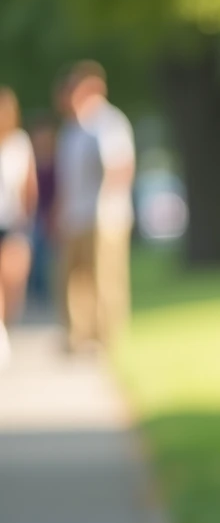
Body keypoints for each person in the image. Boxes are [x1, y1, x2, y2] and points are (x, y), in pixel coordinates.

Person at [55, 61, 136, 353]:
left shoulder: (108, 123)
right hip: (75, 216)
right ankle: (78, 334)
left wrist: (109, 204)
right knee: (73, 279)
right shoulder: (72, 129)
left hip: (104, 215)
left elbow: (120, 166)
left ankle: (107, 337)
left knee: (105, 278)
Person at [0, 87, 38, 366]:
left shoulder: (19, 144)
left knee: (12, 281)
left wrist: (26, 221)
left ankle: (7, 327)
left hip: (12, 222)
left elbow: (29, 186)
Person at [26, 115, 58, 310]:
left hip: (52, 214)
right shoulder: (32, 161)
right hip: (35, 216)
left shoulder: (56, 161)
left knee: (49, 255)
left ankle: (47, 291)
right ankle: (38, 291)